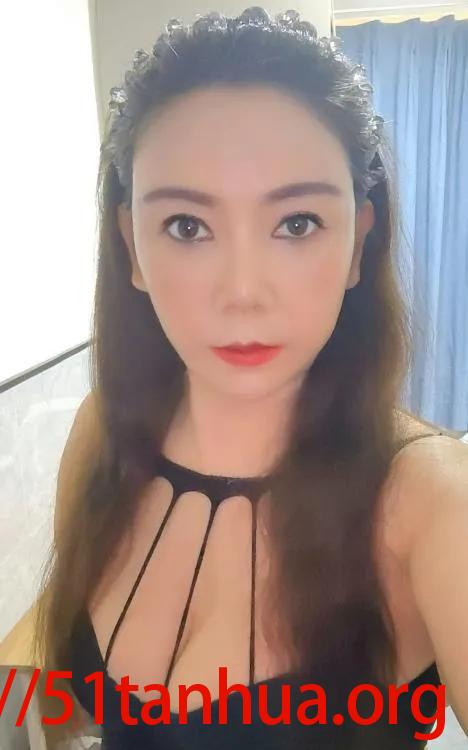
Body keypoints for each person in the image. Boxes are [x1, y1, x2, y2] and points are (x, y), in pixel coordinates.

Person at [32, 7, 468, 749]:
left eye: (297, 223)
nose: (242, 292)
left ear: (358, 245)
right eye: (187, 227)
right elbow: (64, 712)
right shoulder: (104, 433)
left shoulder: (429, 501)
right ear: (131, 248)